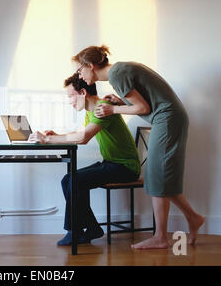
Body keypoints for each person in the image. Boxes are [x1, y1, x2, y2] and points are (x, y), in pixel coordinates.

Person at [73, 45, 205, 249]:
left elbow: (143, 108)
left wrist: (113, 109)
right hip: (168, 118)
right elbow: (144, 101)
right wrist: (119, 100)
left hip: (167, 119)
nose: (79, 75)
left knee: (156, 175)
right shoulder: (119, 70)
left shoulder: (117, 74)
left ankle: (161, 237)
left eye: (80, 70)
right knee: (160, 175)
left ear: (90, 65)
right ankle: (193, 218)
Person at [29, 73, 141, 246]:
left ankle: (75, 231)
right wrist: (57, 136)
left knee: (75, 180)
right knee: (68, 179)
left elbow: (83, 138)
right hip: (112, 163)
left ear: (82, 92)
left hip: (125, 167)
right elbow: (79, 134)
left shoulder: (102, 108)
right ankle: (91, 228)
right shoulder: (91, 112)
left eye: (71, 96)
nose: (70, 101)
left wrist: (47, 140)